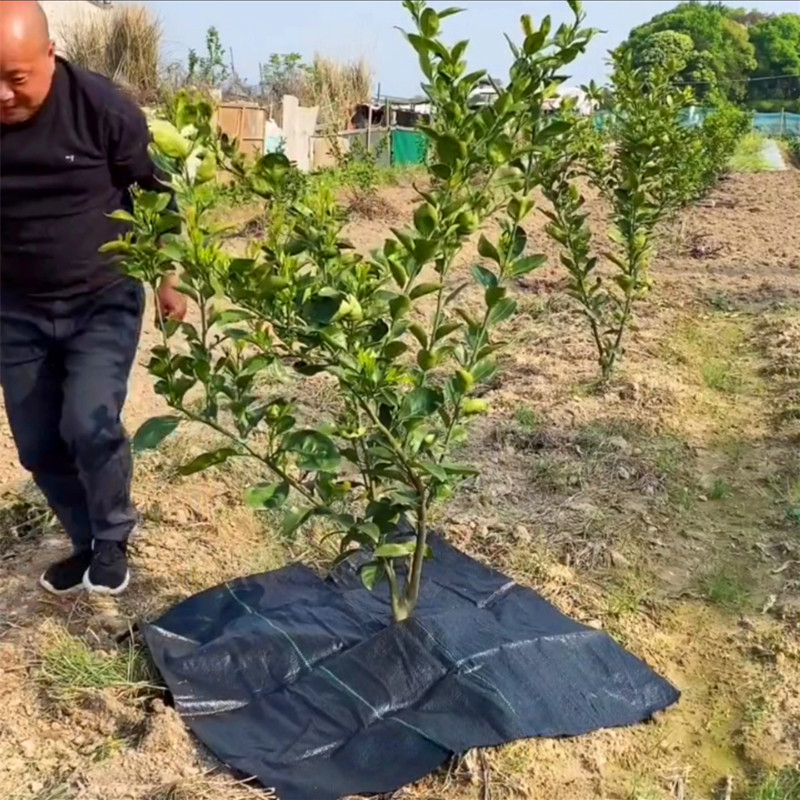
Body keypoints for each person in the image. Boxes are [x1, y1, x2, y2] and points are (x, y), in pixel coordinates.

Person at [0, 0, 186, 596]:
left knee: (88, 420)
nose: (2, 94)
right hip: (16, 307)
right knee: (36, 444)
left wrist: (168, 276)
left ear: (49, 55)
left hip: (100, 297)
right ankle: (84, 542)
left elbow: (156, 192)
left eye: (16, 78)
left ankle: (112, 538)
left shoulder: (101, 108)